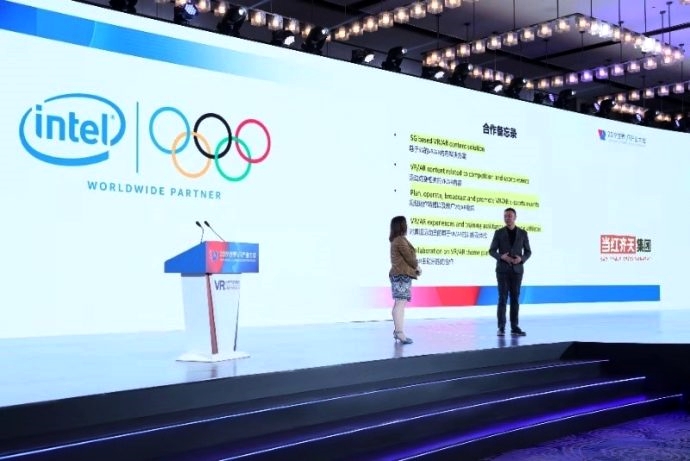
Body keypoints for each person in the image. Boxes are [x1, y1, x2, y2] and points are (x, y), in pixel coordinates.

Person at [489, 207, 532, 337]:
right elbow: (492, 251)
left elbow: (528, 251)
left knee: (515, 299)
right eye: (505, 216)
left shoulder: (523, 233)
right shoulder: (498, 232)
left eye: (510, 216)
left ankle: (514, 327)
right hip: (502, 270)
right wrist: (501, 257)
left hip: (517, 270)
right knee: (502, 298)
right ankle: (501, 327)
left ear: (515, 217)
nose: (507, 218)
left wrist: (521, 259)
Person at [389, 216, 420, 345]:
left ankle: (398, 331)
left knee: (399, 303)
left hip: (399, 275)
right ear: (402, 225)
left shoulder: (396, 240)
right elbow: (409, 257)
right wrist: (417, 267)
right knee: (400, 304)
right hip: (401, 275)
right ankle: (399, 332)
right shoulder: (400, 240)